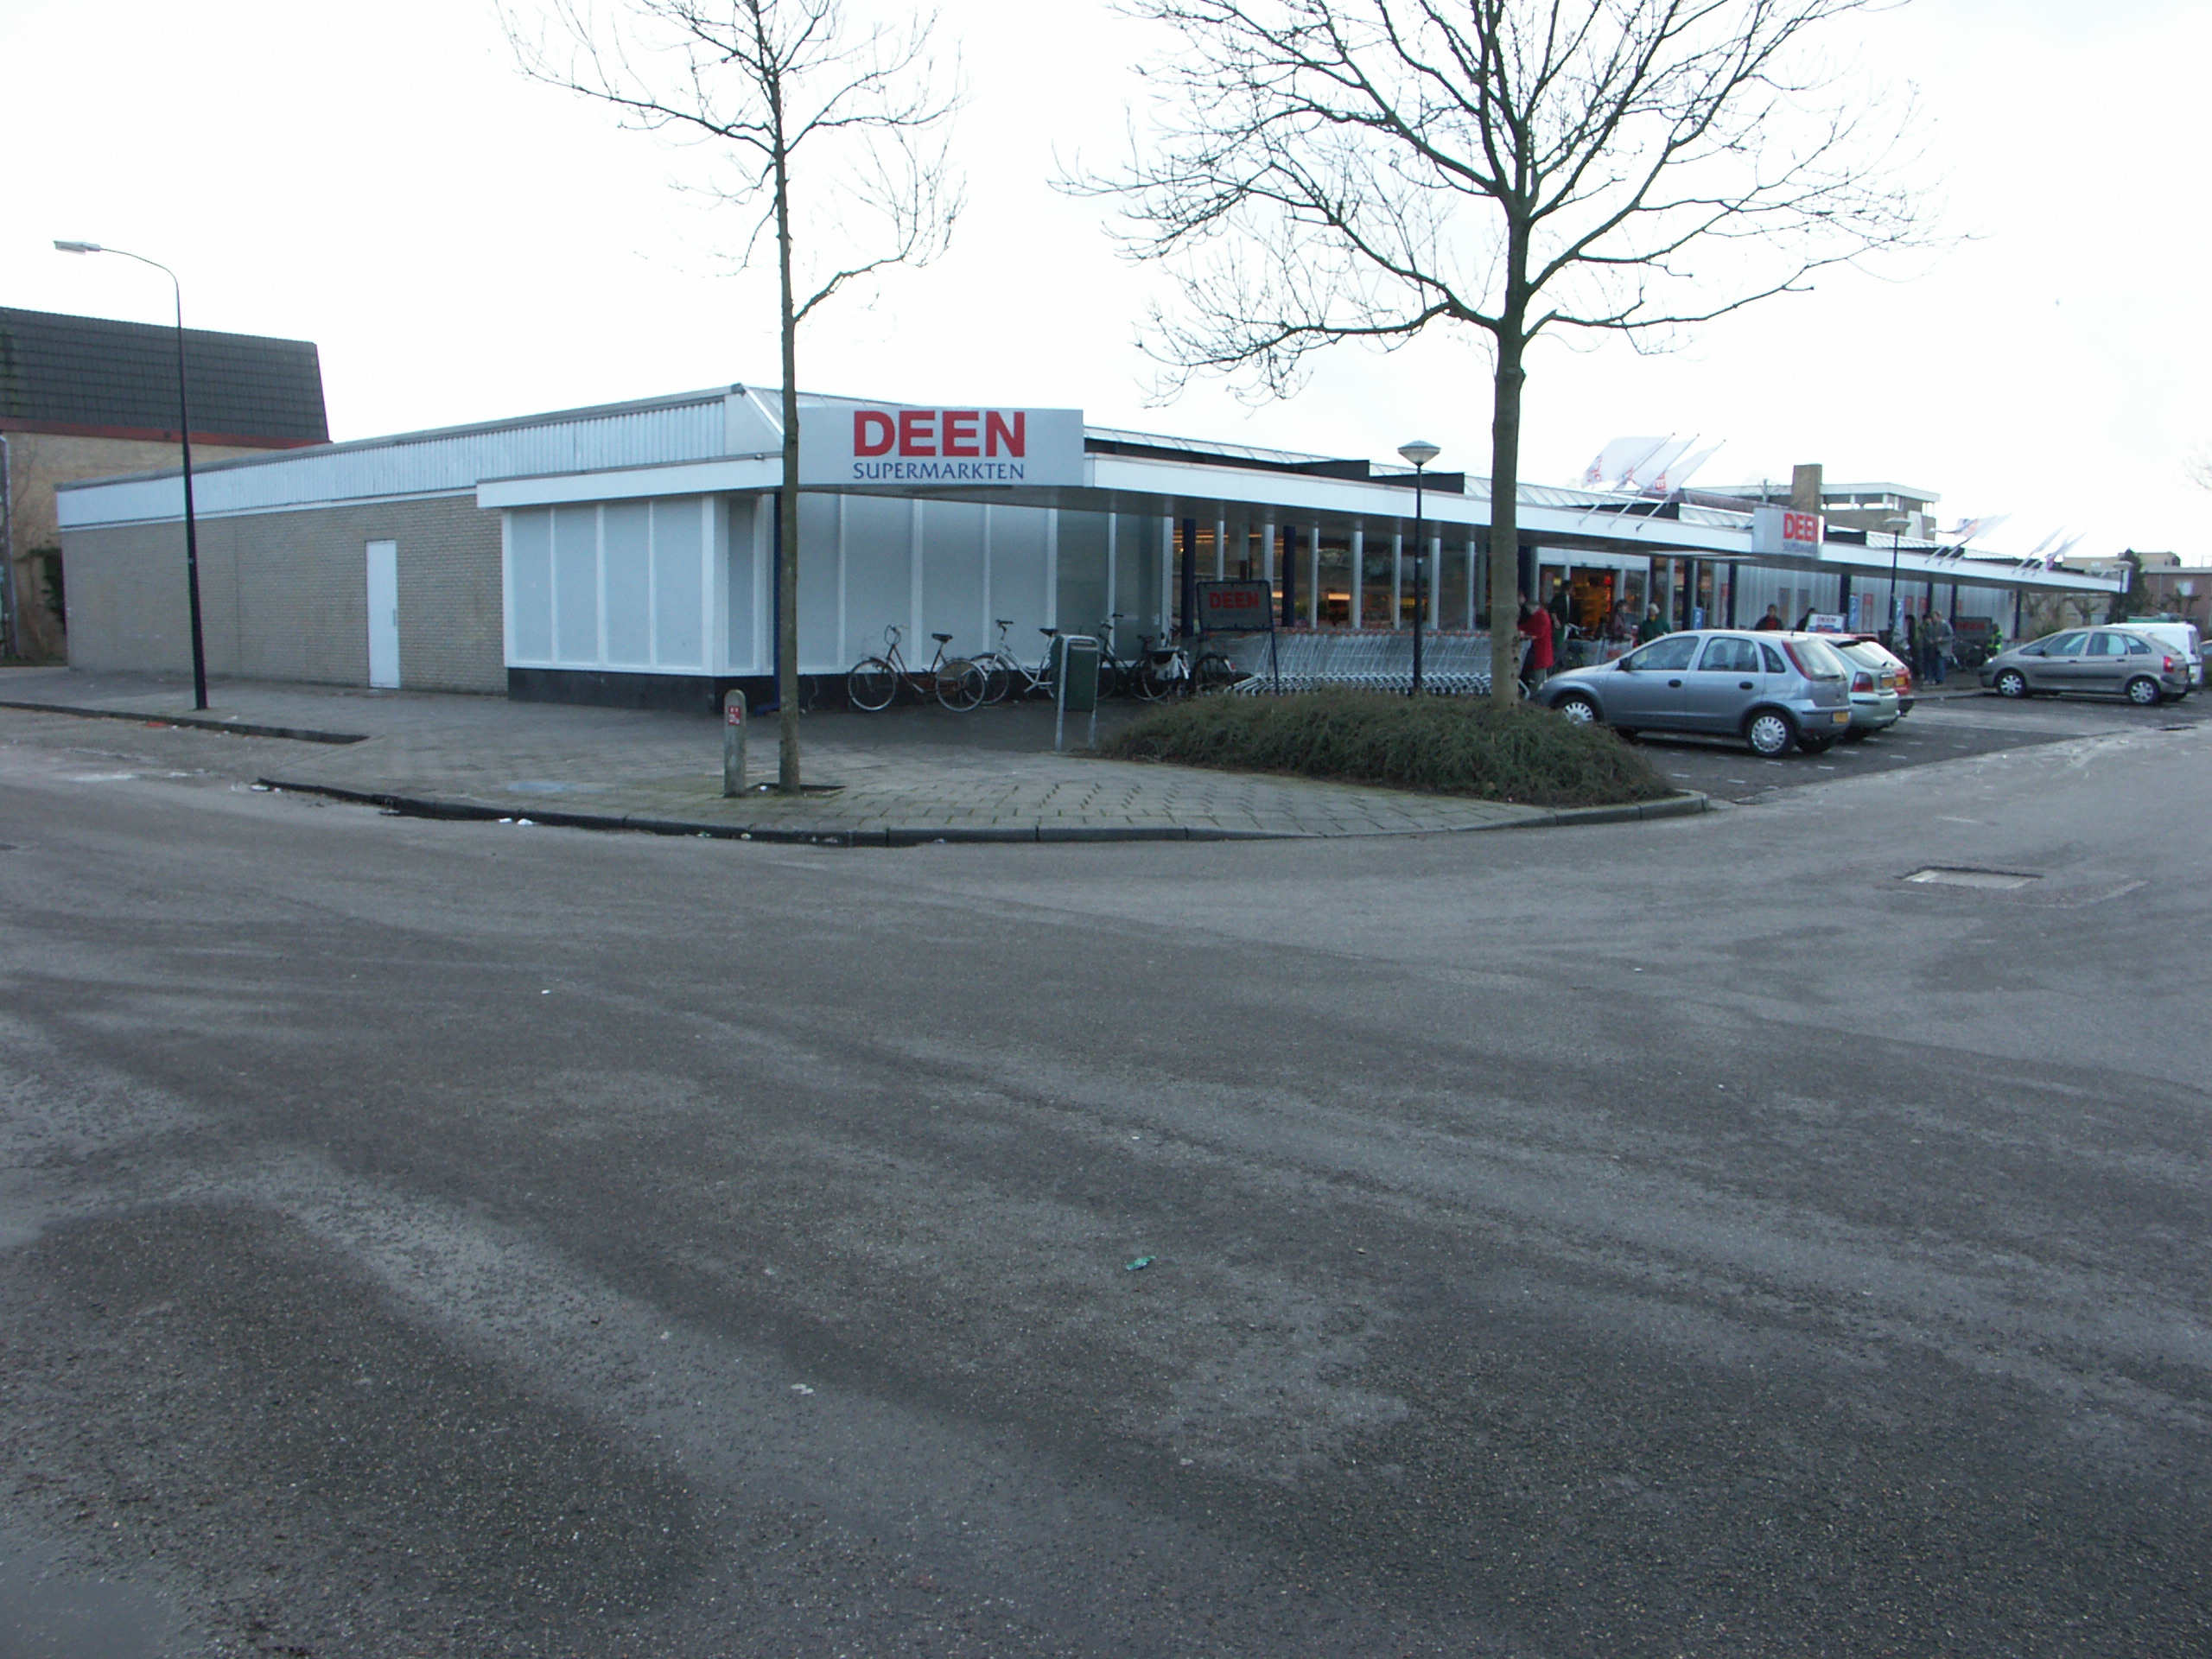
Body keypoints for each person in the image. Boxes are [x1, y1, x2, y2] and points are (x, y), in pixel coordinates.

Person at [1517, 593, 1555, 692]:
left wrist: (1525, 634)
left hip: (1541, 650)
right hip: (1538, 650)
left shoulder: (1542, 617)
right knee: (1539, 673)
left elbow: (1539, 633)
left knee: (1540, 675)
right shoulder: (1538, 616)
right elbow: (1528, 626)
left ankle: (1540, 692)